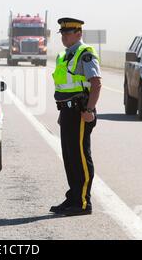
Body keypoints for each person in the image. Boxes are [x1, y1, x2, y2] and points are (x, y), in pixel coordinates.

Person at [50, 17, 102, 217]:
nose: (64, 36)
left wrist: (89, 110)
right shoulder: (64, 56)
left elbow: (96, 83)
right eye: (62, 33)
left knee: (80, 156)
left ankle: (82, 202)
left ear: (79, 33)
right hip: (67, 112)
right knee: (69, 157)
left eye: (68, 32)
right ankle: (73, 197)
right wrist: (63, 111)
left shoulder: (85, 54)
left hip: (81, 111)